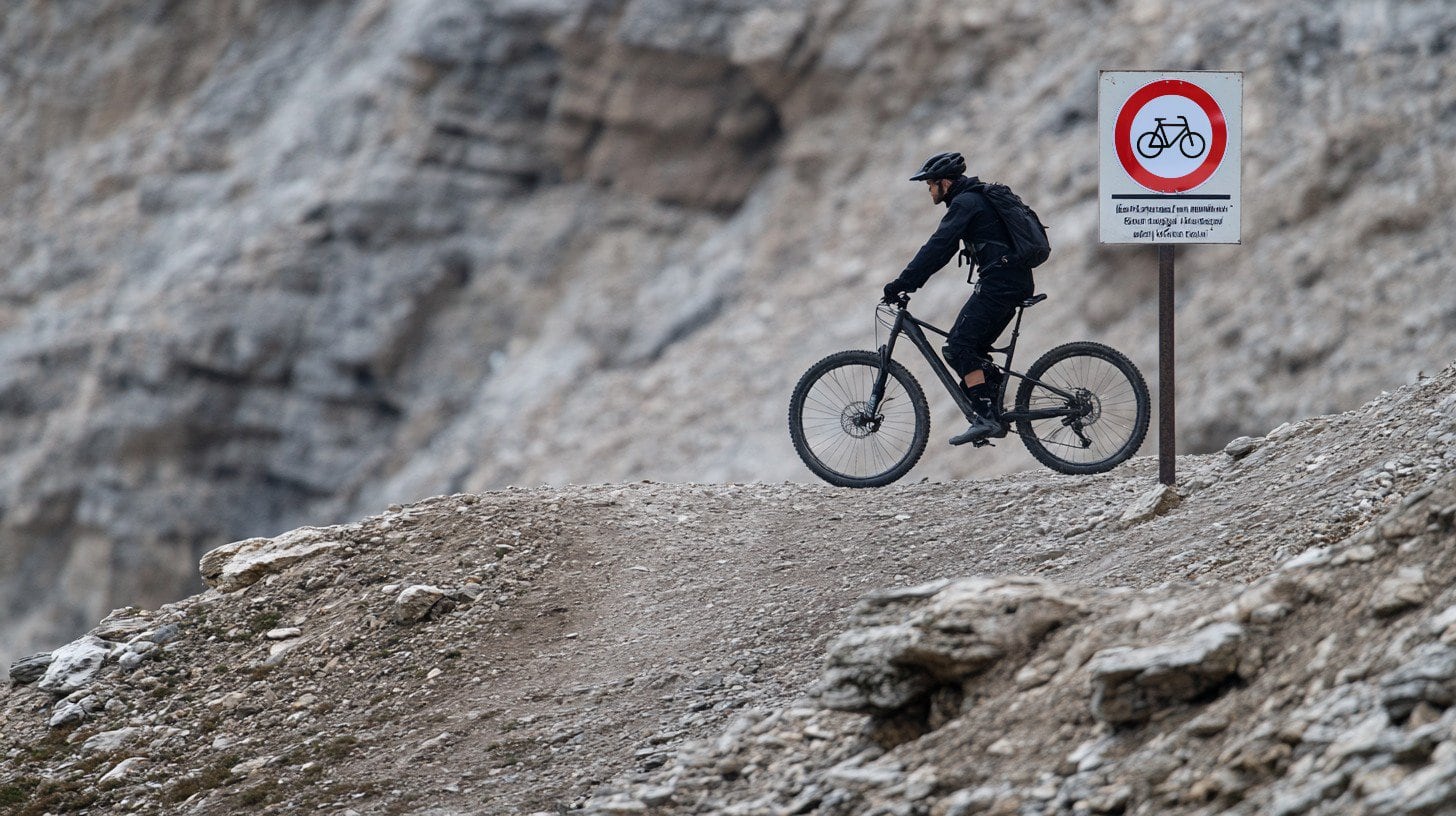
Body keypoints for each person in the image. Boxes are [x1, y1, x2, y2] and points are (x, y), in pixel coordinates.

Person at [881, 151, 1037, 446]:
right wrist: (912, 282)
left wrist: (902, 283)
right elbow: (943, 251)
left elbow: (938, 246)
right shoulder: (971, 201)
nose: (928, 189)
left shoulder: (965, 203)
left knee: (957, 346)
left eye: (930, 183)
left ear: (945, 182)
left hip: (1001, 285)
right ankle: (990, 402)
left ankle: (986, 416)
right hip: (1010, 282)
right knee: (965, 349)